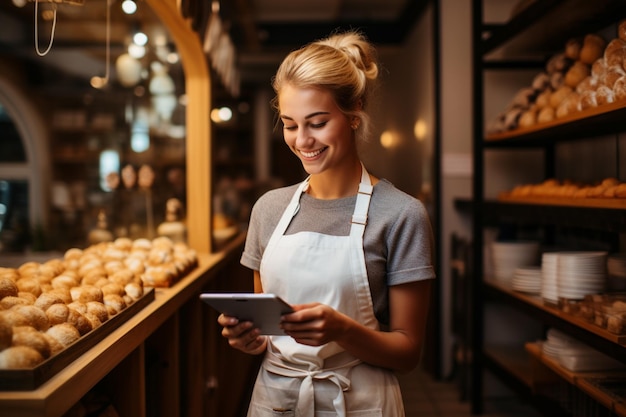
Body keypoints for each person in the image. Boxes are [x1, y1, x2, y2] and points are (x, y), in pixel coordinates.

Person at [218, 29, 435, 416]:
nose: (302, 140)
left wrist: (342, 330)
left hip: (360, 401)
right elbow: (269, 333)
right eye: (289, 124)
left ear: (354, 115)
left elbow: (408, 353)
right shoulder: (268, 209)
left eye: (317, 122)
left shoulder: (401, 214)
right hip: (275, 401)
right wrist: (251, 339)